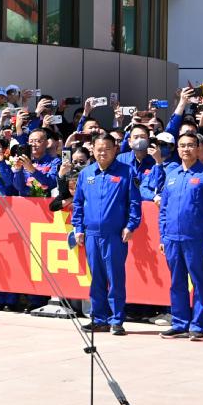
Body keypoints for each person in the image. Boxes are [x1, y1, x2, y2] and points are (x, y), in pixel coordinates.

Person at [71, 133, 142, 336]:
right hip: (92, 234)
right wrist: (78, 228)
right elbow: (77, 203)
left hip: (115, 235)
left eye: (107, 148)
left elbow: (134, 203)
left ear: (115, 149)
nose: (102, 152)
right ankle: (99, 319)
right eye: (99, 149)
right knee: (97, 279)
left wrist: (131, 225)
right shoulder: (87, 174)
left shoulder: (126, 172)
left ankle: (117, 320)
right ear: (92, 150)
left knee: (116, 278)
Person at [156, 132, 203, 340]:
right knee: (177, 282)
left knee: (199, 282)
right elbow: (164, 209)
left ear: (198, 148)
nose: (186, 149)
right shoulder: (172, 174)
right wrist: (163, 236)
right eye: (182, 145)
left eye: (191, 145)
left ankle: (198, 326)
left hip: (196, 238)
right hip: (172, 239)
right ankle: (179, 322)